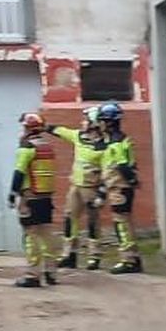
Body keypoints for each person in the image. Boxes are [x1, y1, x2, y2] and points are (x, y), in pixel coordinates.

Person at [51, 106, 105, 271]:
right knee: (70, 218)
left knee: (92, 221)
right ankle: (69, 255)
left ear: (94, 123)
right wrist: (44, 126)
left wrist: (102, 193)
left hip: (92, 187)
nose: (82, 123)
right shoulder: (78, 137)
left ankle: (94, 256)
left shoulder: (104, 146)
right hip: (76, 186)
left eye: (86, 120)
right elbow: (61, 131)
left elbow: (108, 171)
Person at [10, 112, 59, 289]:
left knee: (31, 235)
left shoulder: (26, 148)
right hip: (46, 197)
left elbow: (19, 172)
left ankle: (33, 275)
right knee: (46, 234)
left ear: (27, 128)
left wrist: (13, 193)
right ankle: (51, 272)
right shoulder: (47, 146)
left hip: (30, 197)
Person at [97, 101, 141, 275]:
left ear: (109, 122)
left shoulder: (115, 142)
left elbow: (122, 165)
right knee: (125, 222)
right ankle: (133, 257)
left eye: (101, 120)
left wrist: (131, 180)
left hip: (120, 187)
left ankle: (128, 260)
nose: (99, 124)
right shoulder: (118, 140)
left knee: (121, 223)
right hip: (118, 186)